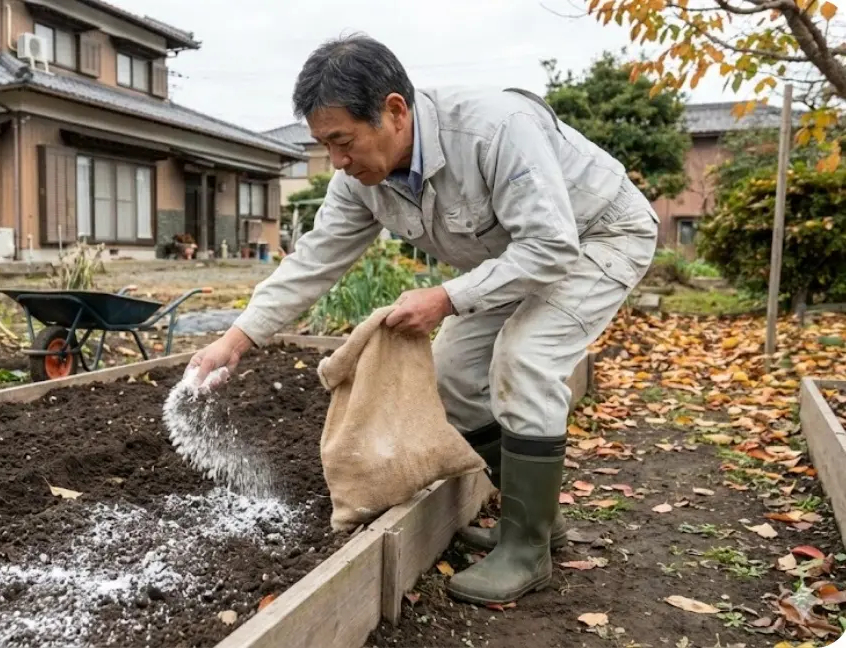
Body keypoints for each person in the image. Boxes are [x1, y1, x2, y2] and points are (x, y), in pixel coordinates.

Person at [187, 34, 659, 605]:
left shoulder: (494, 130)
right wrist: (237, 338)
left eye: (342, 142)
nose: (337, 161)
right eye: (324, 145)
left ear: (394, 110)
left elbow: (551, 248)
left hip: (597, 236)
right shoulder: (360, 182)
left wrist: (445, 297)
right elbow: (315, 259)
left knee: (525, 360)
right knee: (453, 374)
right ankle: (536, 523)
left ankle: (526, 551)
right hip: (513, 259)